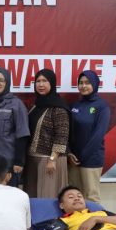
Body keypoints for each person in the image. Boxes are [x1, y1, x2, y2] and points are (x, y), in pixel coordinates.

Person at [25, 69, 70, 198]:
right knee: (33, 196)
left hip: (49, 161)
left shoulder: (58, 108)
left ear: (52, 83)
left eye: (45, 81)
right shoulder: (36, 106)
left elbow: (62, 136)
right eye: (38, 81)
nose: (40, 84)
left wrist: (52, 159)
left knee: (47, 196)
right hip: (33, 159)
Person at [0, 68, 30, 188]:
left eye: (1, 80)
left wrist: (19, 161)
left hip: (9, 163)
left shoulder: (16, 104)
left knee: (8, 195)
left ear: (7, 83)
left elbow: (22, 135)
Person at [68, 70, 110, 203]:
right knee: (74, 196)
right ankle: (77, 218)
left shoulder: (102, 107)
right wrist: (69, 153)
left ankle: (94, 218)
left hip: (91, 159)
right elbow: (68, 131)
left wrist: (83, 156)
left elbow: (98, 135)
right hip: (73, 160)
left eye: (87, 83)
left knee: (91, 197)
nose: (83, 86)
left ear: (95, 84)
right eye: (81, 83)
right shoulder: (75, 105)